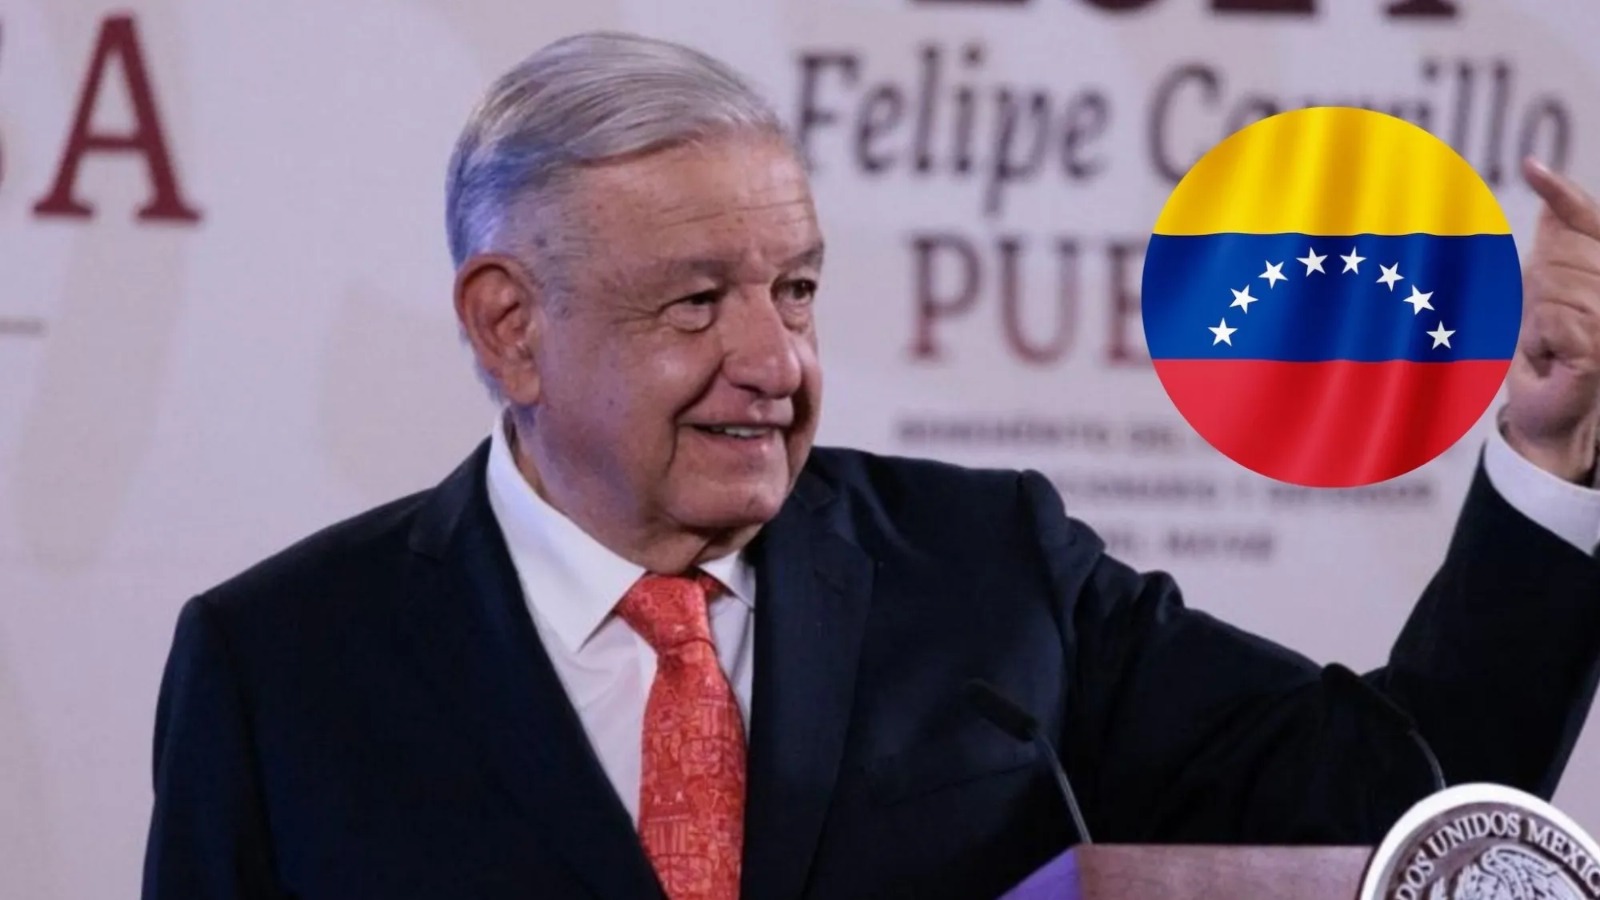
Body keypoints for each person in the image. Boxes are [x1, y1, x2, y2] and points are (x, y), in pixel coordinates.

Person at [141, 31, 1600, 900]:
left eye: (796, 289)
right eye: (696, 302)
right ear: (510, 328)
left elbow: (1416, 807)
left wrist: (1549, 452)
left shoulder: (989, 575)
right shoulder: (282, 663)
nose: (774, 360)